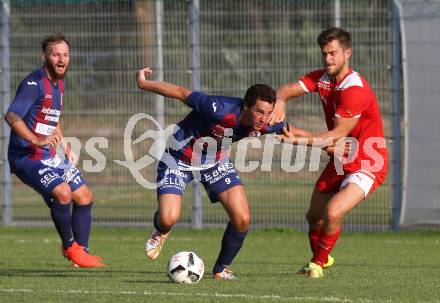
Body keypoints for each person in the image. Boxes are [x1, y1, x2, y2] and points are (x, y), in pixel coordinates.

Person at [136, 67, 293, 280]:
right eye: (259, 111)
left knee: (242, 219)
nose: (264, 118)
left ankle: (221, 269)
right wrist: (145, 84)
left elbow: (291, 132)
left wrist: (327, 143)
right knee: (167, 218)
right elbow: (180, 92)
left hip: (215, 163)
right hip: (178, 160)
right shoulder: (218, 108)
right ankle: (161, 230)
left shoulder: (265, 123)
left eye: (268, 113)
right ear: (246, 106)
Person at [270, 27, 388, 278]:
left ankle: (317, 265)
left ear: (348, 53)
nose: (328, 59)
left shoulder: (354, 89)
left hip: (368, 160)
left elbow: (335, 135)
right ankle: (322, 259)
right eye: (324, 54)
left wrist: (299, 140)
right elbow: (285, 90)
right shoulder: (322, 78)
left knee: (333, 211)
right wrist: (280, 101)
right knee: (313, 217)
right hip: (340, 158)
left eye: (333, 53)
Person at [4, 33, 105, 268]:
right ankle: (70, 247)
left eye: (65, 54)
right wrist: (35, 140)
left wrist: (66, 146)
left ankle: (81, 254)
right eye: (56, 54)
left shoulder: (59, 84)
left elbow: (52, 119)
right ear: (44, 56)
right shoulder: (34, 84)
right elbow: (11, 115)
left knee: (85, 198)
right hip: (26, 157)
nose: (62, 59)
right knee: (62, 193)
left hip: (49, 156)